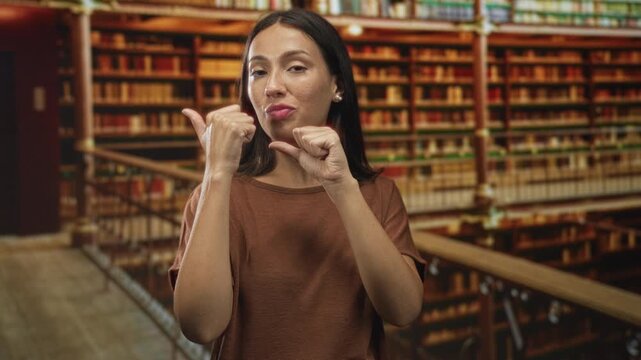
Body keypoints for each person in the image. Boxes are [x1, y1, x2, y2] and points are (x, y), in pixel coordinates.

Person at [169, 8, 426, 360]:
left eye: (296, 67)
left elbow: (403, 310)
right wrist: (216, 175)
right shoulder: (218, 195)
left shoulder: (377, 194)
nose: (272, 87)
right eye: (258, 71)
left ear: (337, 85)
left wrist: (343, 189)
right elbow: (200, 326)